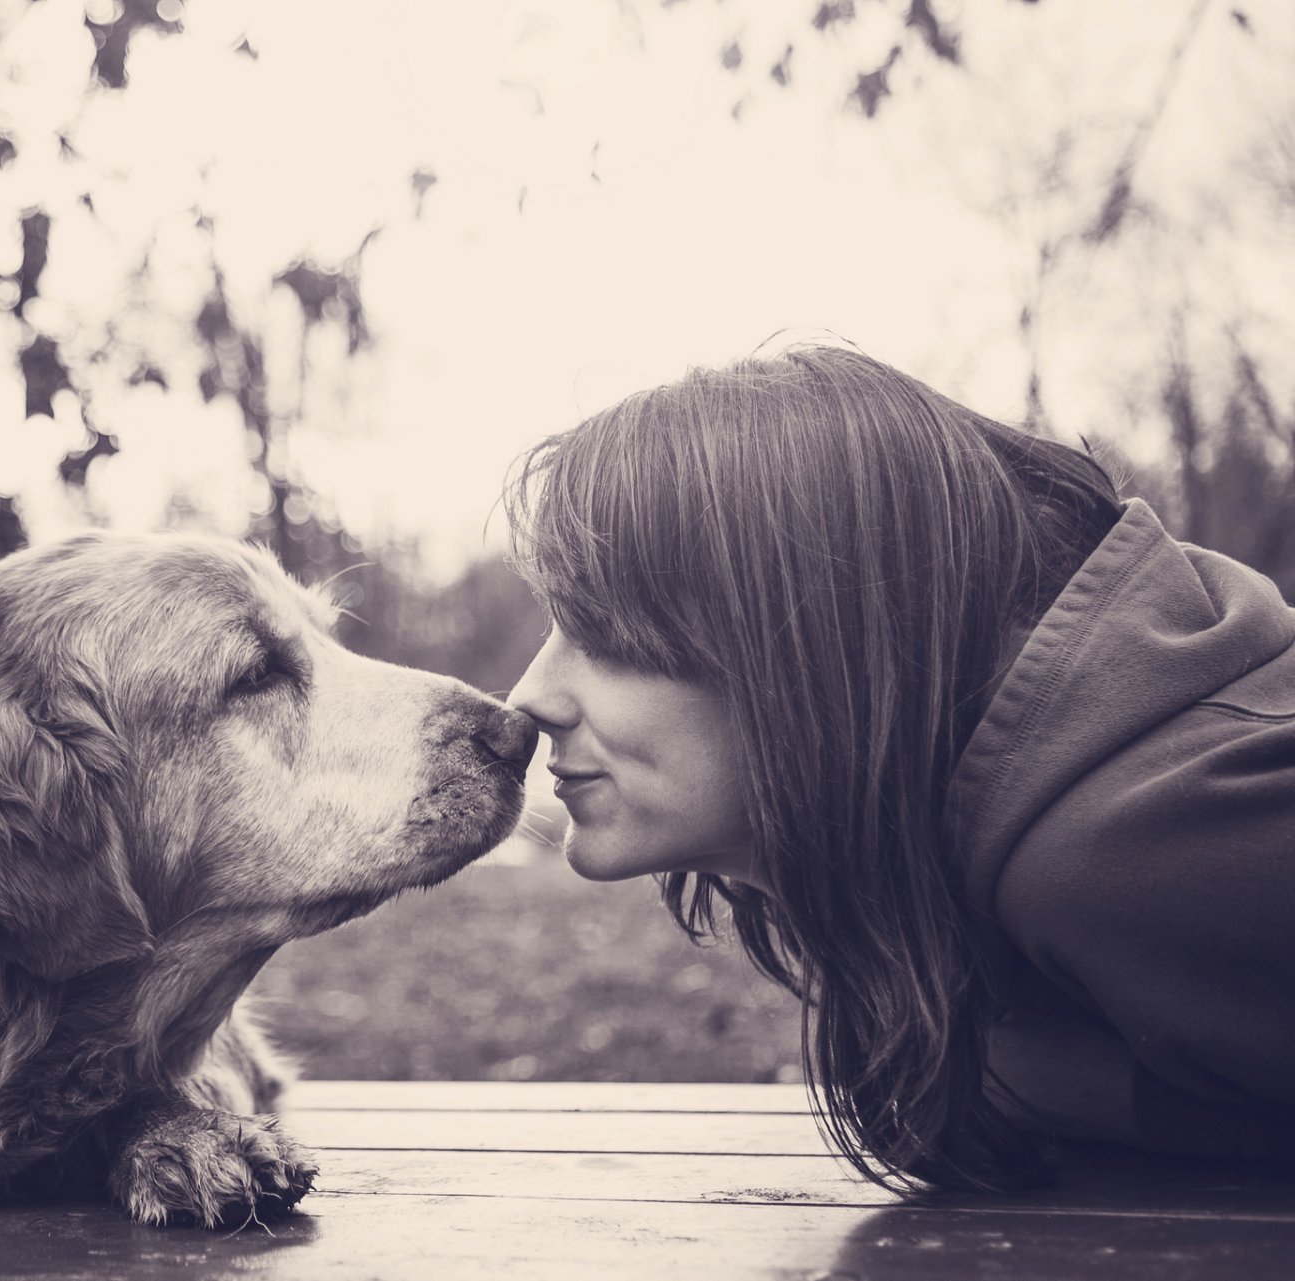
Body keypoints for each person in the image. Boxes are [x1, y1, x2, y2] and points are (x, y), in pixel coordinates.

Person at [503, 342, 1295, 1191]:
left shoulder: (1140, 845)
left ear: (806, 644)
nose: (526, 697)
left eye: (603, 634)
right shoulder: (997, 835)